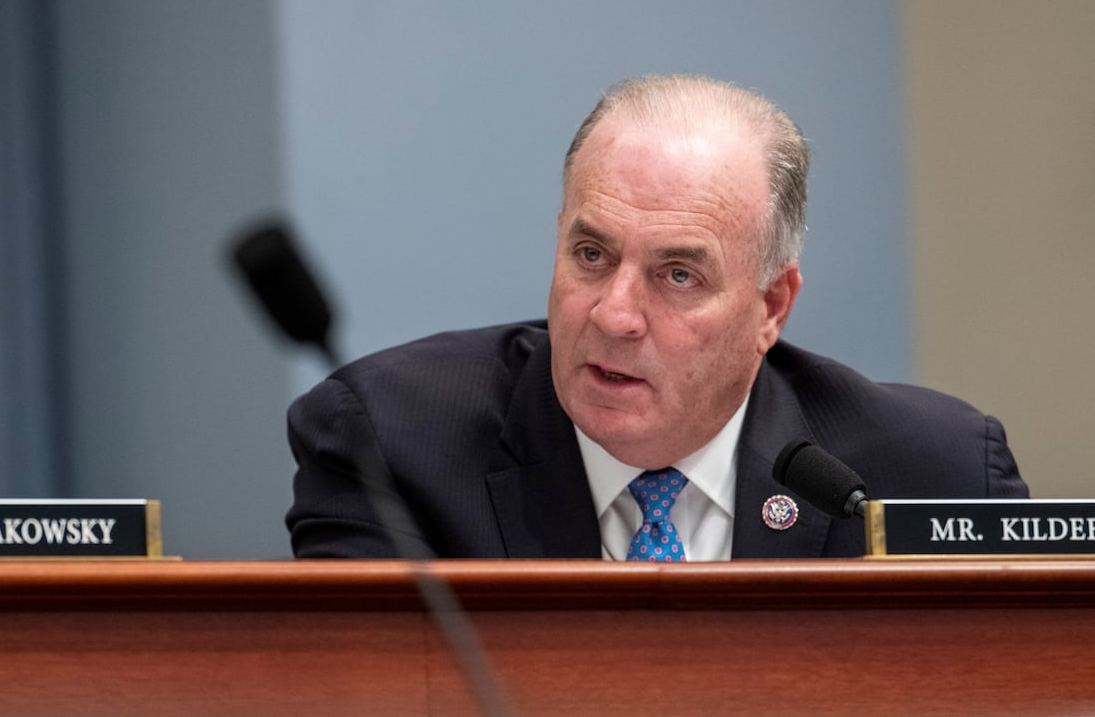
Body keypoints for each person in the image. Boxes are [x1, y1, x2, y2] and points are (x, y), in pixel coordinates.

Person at [286, 74, 1027, 560]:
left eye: (678, 274)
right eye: (591, 255)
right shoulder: (394, 445)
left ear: (771, 306)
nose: (614, 315)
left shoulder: (934, 475)